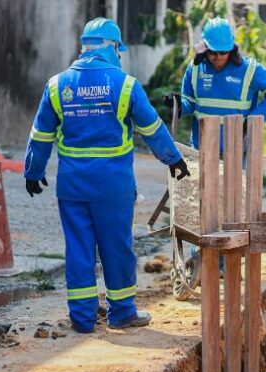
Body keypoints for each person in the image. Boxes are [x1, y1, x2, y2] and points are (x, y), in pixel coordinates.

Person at [24, 18, 190, 333]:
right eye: (119, 49)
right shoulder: (125, 85)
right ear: (113, 47)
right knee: (116, 248)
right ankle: (122, 312)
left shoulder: (57, 84)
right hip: (113, 187)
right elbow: (152, 128)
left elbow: (41, 135)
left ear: (84, 47)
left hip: (72, 186)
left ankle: (83, 320)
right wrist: (173, 159)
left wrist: (33, 171)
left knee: (79, 249)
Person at [164, 17, 266, 152]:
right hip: (201, 148)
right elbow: (190, 102)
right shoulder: (195, 68)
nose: (218, 57)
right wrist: (178, 105)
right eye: (213, 52)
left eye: (223, 52)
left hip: (236, 149)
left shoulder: (249, 69)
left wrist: (253, 120)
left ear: (231, 48)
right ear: (205, 48)